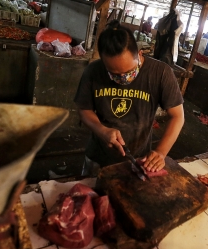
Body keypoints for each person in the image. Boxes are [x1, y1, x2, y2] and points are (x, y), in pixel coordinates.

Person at [74, 21, 184, 174]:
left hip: (140, 159)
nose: (123, 78)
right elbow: (84, 109)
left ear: (139, 54)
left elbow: (177, 116)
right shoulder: (93, 71)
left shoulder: (161, 73)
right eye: (114, 74)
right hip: (98, 157)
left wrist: (160, 152)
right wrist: (102, 130)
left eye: (128, 71)